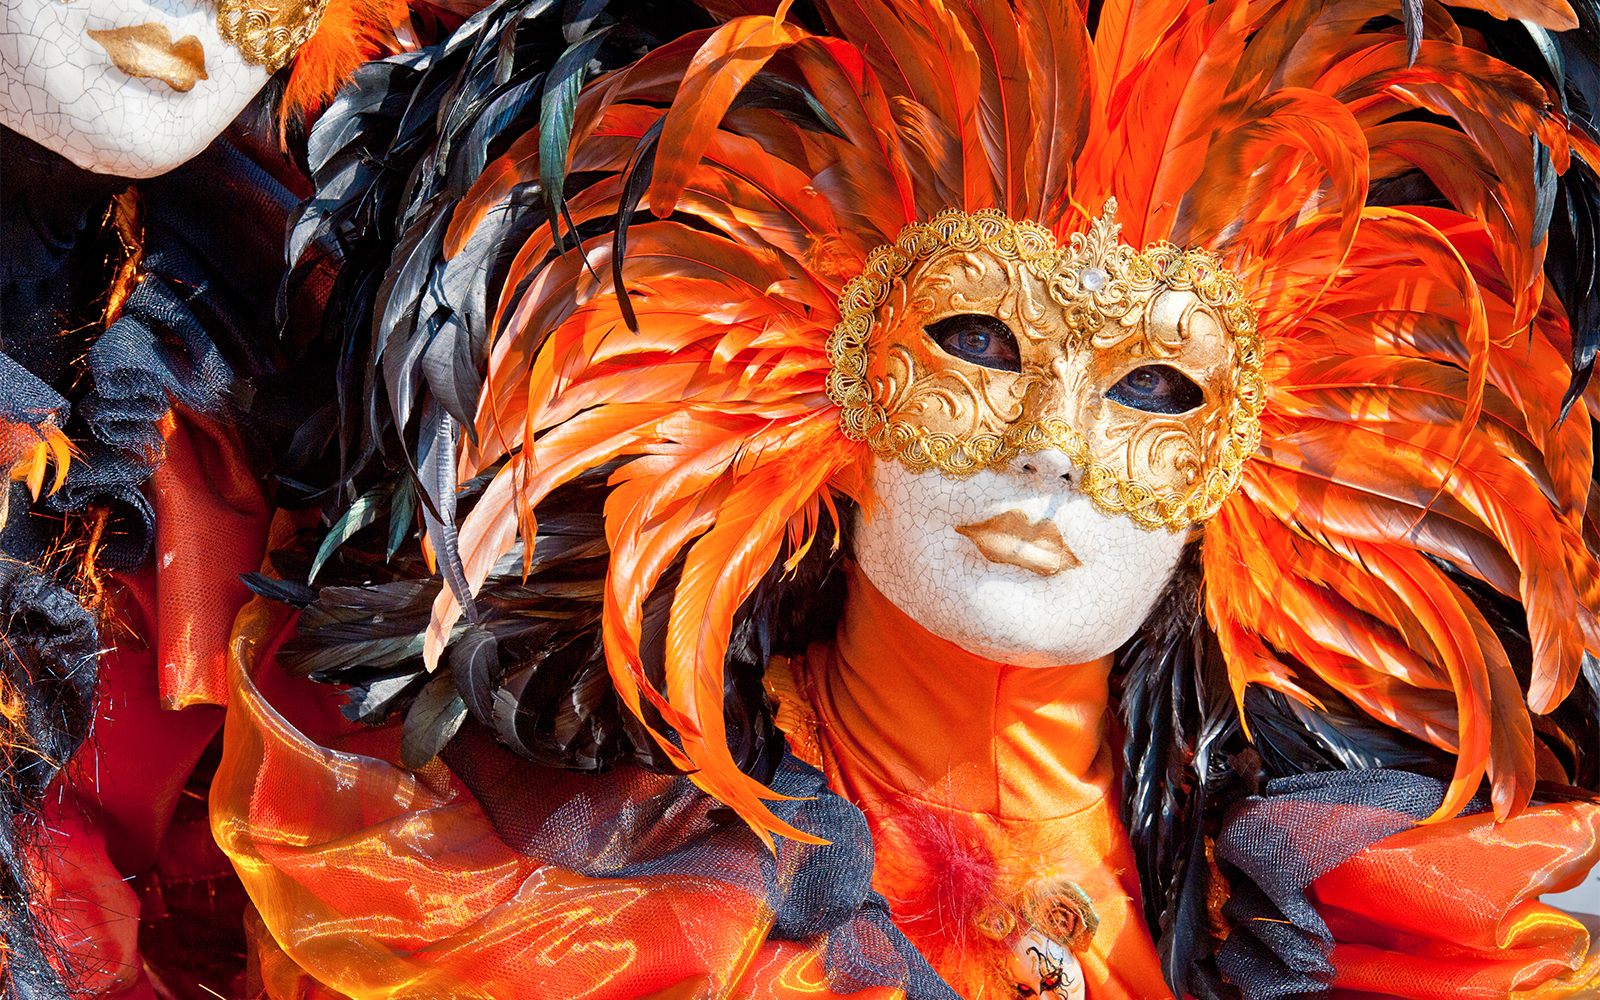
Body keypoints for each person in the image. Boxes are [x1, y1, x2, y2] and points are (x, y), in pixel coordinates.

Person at [211, 0, 1600, 997]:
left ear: (1263, 451)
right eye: (978, 342)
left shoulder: (1394, 938)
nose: (1053, 449)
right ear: (811, 377)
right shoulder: (590, 930)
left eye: (1157, 388)